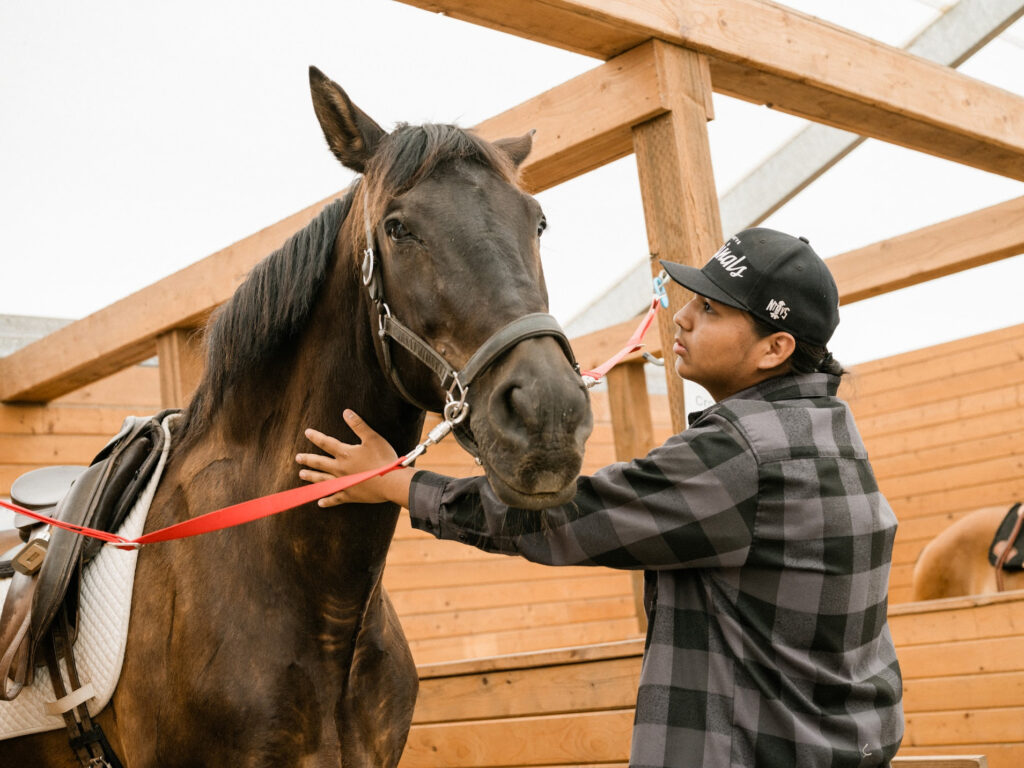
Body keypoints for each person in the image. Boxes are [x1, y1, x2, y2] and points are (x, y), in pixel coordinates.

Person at [296, 228, 904, 768]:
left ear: (775, 349)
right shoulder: (831, 432)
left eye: (712, 310)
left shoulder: (747, 455)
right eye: (692, 299)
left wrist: (396, 483)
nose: (683, 317)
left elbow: (557, 520)